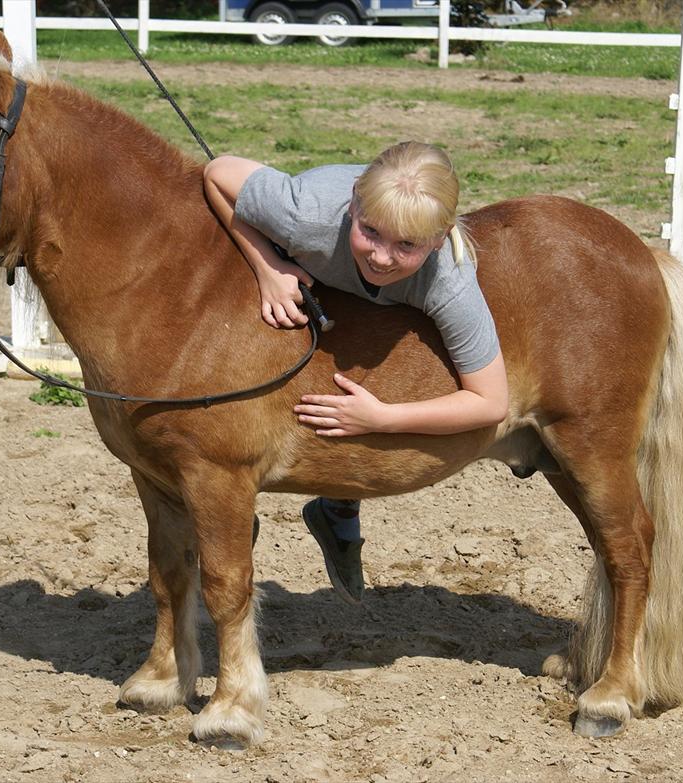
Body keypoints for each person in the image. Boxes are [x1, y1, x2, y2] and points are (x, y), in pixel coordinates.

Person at [203, 141, 508, 604]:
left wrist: (383, 418)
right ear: (353, 206)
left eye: (407, 245)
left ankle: (338, 506)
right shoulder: (303, 211)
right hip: (310, 258)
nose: (383, 257)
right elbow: (218, 172)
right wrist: (269, 266)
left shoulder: (448, 279)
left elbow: (491, 401)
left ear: (441, 235)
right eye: (372, 232)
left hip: (371, 295)